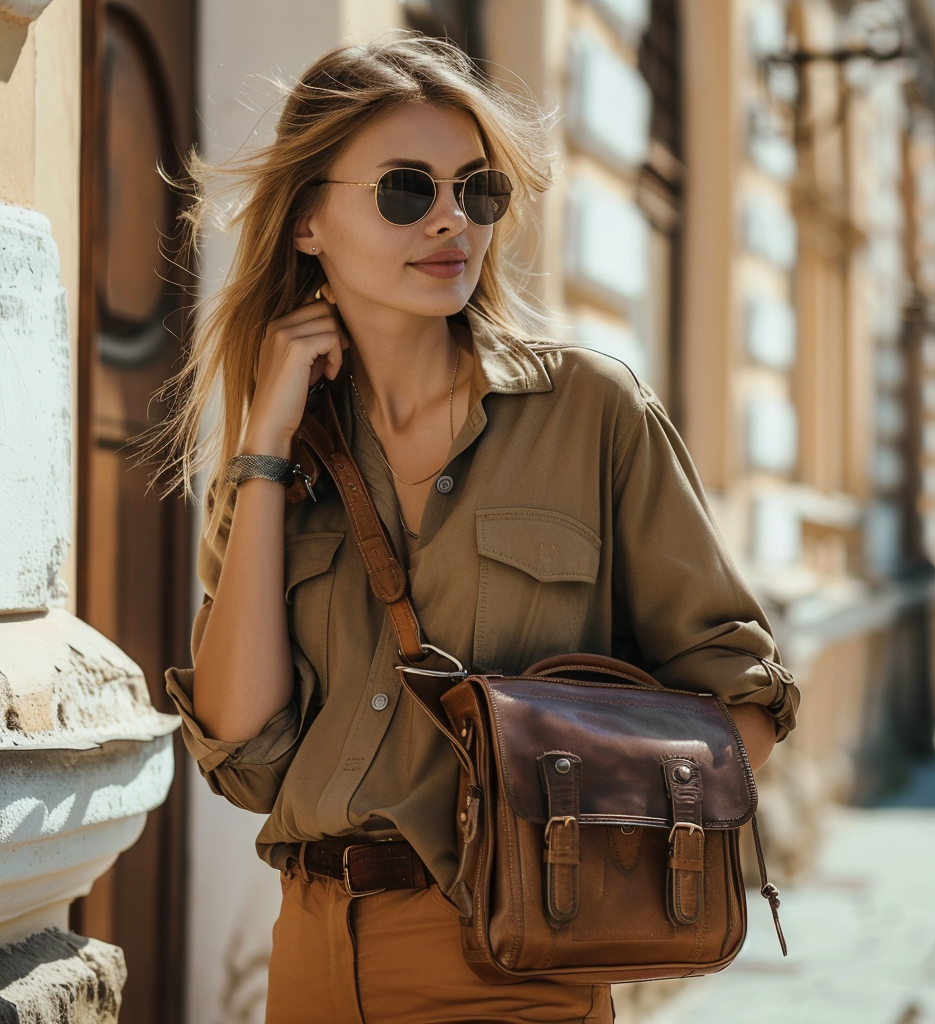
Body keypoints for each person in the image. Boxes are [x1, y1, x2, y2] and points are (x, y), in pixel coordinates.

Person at [162, 33, 799, 1024]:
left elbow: (741, 703)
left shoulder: (591, 411)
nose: (452, 220)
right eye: (406, 190)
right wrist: (262, 451)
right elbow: (244, 753)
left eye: (477, 189)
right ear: (306, 222)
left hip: (516, 965)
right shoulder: (278, 453)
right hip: (311, 958)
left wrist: (572, 803)